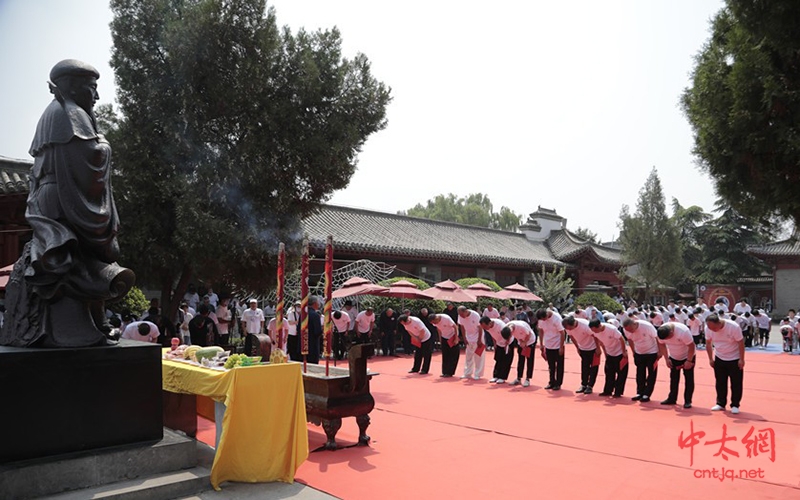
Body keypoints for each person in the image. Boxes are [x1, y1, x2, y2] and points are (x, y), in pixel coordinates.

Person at [0, 60, 135, 348]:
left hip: (56, 194)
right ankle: (77, 328)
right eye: (91, 88)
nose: (96, 97)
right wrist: (106, 146)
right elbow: (90, 155)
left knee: (78, 257)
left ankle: (90, 322)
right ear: (72, 86)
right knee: (78, 257)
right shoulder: (68, 113)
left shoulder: (57, 113)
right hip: (64, 198)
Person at [705, 313, 745, 414]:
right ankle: (721, 403)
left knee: (736, 383)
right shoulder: (708, 328)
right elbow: (708, 343)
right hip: (719, 357)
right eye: (710, 328)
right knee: (720, 382)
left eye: (714, 328)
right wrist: (710, 358)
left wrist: (741, 359)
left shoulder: (733, 327)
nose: (712, 330)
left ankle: (735, 404)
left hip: (734, 358)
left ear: (719, 323)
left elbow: (741, 343)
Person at [656, 322, 696, 408]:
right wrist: (666, 358)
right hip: (673, 357)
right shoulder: (661, 331)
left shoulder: (683, 331)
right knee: (673, 378)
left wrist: (689, 360)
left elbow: (692, 346)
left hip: (687, 356)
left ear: (671, 332)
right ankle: (672, 398)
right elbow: (662, 345)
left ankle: (687, 401)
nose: (668, 340)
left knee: (688, 379)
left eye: (669, 338)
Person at [622, 318, 660, 403]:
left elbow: (657, 338)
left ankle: (647, 393)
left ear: (635, 324)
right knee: (639, 373)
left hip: (652, 352)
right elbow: (630, 340)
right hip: (639, 353)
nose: (630, 332)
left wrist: (659, 351)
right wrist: (633, 351)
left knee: (651, 373)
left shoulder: (646, 326)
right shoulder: (627, 330)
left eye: (631, 329)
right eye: (628, 330)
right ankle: (639, 392)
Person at [588, 319, 628, 398]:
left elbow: (621, 339)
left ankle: (618, 392)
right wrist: (603, 351)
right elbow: (598, 339)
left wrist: (624, 351)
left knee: (621, 373)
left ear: (599, 326)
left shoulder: (611, 329)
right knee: (609, 373)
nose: (594, 332)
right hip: (609, 352)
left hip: (619, 352)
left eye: (595, 330)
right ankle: (608, 391)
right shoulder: (594, 331)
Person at [562, 316, 600, 395]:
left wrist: (598, 348)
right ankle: (584, 384)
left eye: (570, 328)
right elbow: (571, 337)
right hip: (582, 348)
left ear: (573, 324)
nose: (569, 330)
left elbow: (595, 336)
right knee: (584, 367)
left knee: (593, 367)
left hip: (593, 348)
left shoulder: (585, 325)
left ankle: (590, 386)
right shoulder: (567, 327)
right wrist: (577, 347)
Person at [535, 308, 565, 390]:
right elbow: (541, 331)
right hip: (548, 345)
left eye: (544, 319)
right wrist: (541, 344)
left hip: (558, 344)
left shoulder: (557, 318)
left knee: (559, 365)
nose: (543, 321)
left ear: (547, 315)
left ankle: (558, 383)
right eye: (542, 320)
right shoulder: (541, 320)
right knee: (551, 365)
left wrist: (561, 347)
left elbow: (562, 333)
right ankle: (551, 382)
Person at [479, 316, 514, 384]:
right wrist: (495, 344)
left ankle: (503, 377)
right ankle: (496, 376)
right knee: (498, 359)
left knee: (506, 360)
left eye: (485, 327)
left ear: (489, 323)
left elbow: (508, 334)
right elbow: (492, 334)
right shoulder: (487, 327)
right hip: (498, 342)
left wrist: (507, 345)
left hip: (508, 342)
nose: (485, 329)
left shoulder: (500, 325)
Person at [502, 319, 537, 387]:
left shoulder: (521, 326)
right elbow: (509, 337)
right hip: (520, 341)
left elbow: (529, 334)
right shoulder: (506, 327)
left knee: (529, 360)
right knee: (521, 360)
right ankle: (518, 378)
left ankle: (527, 379)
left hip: (530, 341)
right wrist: (507, 344)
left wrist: (525, 342)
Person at [457, 306, 484, 380]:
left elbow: (480, 328)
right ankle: (467, 373)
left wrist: (479, 340)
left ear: (466, 311)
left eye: (462, 314)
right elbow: (462, 326)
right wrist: (464, 338)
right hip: (468, 337)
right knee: (468, 356)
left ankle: (478, 374)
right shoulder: (460, 316)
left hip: (477, 336)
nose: (461, 316)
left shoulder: (475, 315)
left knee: (478, 356)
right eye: (460, 315)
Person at [430, 313, 460, 377]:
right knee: (445, 355)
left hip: (452, 336)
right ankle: (445, 372)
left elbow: (455, 327)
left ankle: (450, 372)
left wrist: (456, 338)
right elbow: (438, 329)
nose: (434, 323)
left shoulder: (446, 318)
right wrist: (440, 339)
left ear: (436, 318)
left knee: (453, 355)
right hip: (444, 337)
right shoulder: (434, 322)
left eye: (434, 322)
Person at [306, 296, 323, 364]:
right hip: (313, 344)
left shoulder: (303, 314)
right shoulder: (315, 315)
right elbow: (317, 332)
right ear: (314, 303)